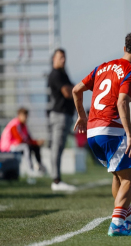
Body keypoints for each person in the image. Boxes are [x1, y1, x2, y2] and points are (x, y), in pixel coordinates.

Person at [72, 32, 131, 237]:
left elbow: (76, 90)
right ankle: (117, 224)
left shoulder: (102, 67)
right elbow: (122, 101)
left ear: (124, 48)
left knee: (118, 175)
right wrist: (130, 135)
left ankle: (127, 220)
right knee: (129, 180)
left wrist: (82, 116)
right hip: (111, 130)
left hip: (92, 132)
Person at [48, 48, 76, 191]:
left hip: (65, 116)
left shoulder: (63, 74)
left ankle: (57, 179)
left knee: (59, 148)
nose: (63, 60)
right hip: (59, 116)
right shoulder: (56, 74)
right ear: (54, 58)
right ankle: (56, 181)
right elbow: (68, 92)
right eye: (60, 57)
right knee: (56, 148)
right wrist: (76, 89)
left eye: (64, 57)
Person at [0, 108, 46, 176]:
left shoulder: (24, 126)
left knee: (35, 147)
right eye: (23, 116)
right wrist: (35, 142)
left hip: (17, 146)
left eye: (26, 116)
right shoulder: (15, 125)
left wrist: (36, 143)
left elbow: (28, 139)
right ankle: (30, 170)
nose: (25, 118)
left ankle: (40, 166)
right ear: (19, 115)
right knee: (26, 147)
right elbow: (20, 140)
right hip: (7, 147)